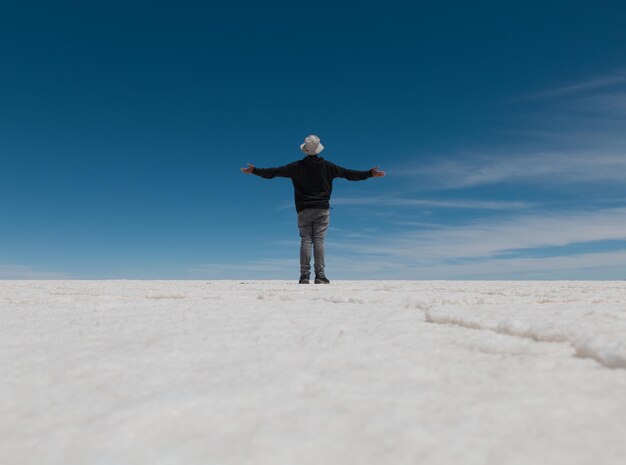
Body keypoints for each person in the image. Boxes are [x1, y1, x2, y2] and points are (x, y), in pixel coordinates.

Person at [241, 134, 385, 284]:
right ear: (319, 149)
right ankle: (320, 276)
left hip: (304, 210)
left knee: (306, 240)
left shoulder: (296, 167)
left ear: (305, 150)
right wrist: (369, 174)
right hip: (322, 209)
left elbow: (273, 172)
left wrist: (254, 170)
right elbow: (349, 174)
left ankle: (304, 276)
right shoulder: (329, 166)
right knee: (319, 240)